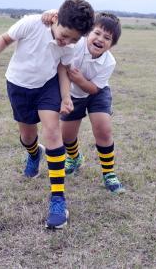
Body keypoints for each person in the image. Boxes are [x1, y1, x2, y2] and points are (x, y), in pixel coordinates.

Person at [0, 0, 94, 229]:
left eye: (73, 40)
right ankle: (33, 154)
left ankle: (58, 200)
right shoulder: (32, 23)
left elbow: (62, 67)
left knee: (52, 132)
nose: (66, 42)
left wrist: (66, 97)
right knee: (28, 137)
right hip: (19, 85)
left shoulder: (72, 44)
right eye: (65, 35)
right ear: (56, 18)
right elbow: (4, 38)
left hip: (47, 86)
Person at [42, 11, 125, 194]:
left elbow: (94, 89)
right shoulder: (75, 44)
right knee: (67, 137)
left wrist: (79, 79)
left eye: (107, 37)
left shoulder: (109, 62)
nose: (100, 39)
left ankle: (109, 173)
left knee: (103, 128)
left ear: (111, 45)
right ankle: (75, 157)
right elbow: (61, 24)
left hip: (96, 92)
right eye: (97, 33)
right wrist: (51, 14)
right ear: (87, 32)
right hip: (71, 94)